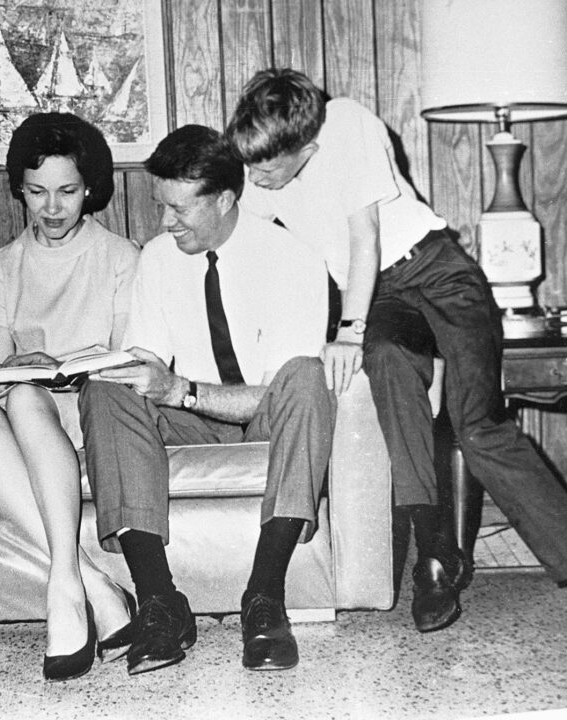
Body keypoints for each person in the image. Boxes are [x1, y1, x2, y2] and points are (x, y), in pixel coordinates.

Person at [225, 67, 567, 634]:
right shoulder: (261, 176)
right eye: (247, 163)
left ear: (307, 149)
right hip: (382, 298)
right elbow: (230, 228)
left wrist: (347, 332)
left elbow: (364, 239)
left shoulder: (346, 122)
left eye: (264, 167)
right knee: (390, 362)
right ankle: (436, 557)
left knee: (476, 422)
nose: (255, 178)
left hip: (437, 271)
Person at [78, 125, 332, 675]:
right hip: (191, 418)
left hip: (266, 418)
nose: (165, 223)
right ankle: (159, 603)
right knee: (106, 389)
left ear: (223, 199)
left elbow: (278, 391)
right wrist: (91, 365)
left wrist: (180, 390)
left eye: (179, 209)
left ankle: (264, 599)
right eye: (161, 206)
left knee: (308, 377)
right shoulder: (158, 259)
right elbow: (146, 360)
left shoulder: (293, 259)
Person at [0, 112, 139, 681]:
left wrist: (71, 367)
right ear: (20, 191)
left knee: (24, 401)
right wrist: (19, 367)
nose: (53, 208)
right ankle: (86, 581)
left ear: (91, 189)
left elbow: (128, 361)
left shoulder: (121, 257)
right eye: (37, 193)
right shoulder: (4, 264)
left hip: (88, 411)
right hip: (21, 414)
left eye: (68, 191)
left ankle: (66, 595)